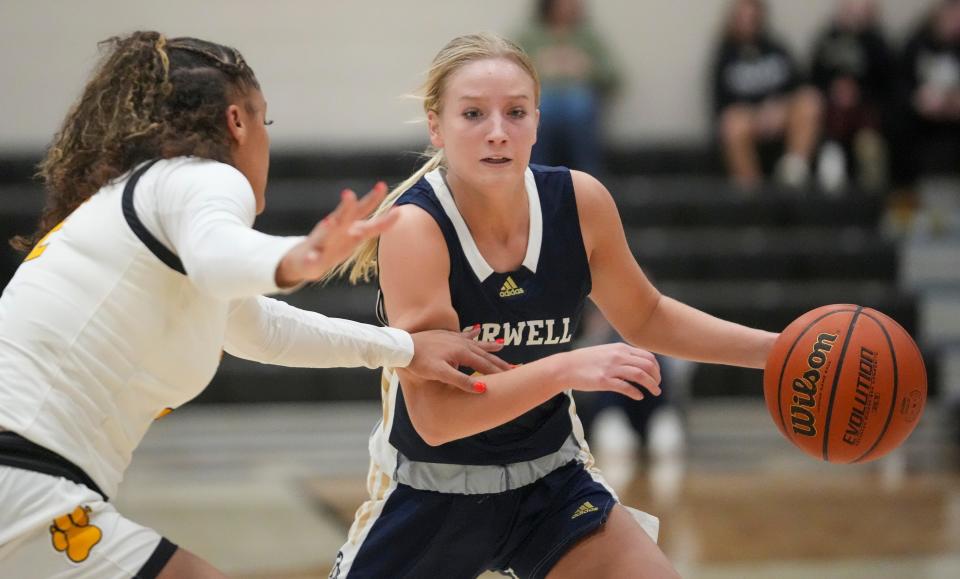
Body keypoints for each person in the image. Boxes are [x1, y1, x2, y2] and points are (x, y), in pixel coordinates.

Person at [0, 31, 519, 579]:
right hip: (25, 476)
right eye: (264, 122)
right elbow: (219, 255)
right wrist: (298, 258)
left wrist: (403, 347)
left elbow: (258, 328)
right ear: (236, 123)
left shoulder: (146, 203)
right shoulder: (203, 178)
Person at [332, 33, 778, 578]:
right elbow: (439, 419)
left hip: (550, 483)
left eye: (516, 112)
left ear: (537, 121)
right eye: (473, 113)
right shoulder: (416, 227)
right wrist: (567, 366)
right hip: (430, 490)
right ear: (436, 126)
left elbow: (647, 316)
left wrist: (779, 353)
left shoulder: (579, 201)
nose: (498, 131)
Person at [711, 0, 823, 191]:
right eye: (742, 17)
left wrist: (778, 109)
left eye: (752, 17)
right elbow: (721, 106)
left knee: (810, 100)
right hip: (748, 120)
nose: (747, 22)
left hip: (781, 115)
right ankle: (751, 192)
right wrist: (756, 114)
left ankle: (793, 173)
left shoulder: (776, 48)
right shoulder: (725, 55)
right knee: (733, 124)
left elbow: (800, 86)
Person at [516, 0, 621, 175]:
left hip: (578, 97)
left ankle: (589, 178)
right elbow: (511, 73)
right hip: (542, 96)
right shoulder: (529, 36)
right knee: (542, 111)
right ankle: (536, 176)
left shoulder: (588, 37)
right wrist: (539, 68)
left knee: (578, 105)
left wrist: (586, 68)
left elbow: (613, 76)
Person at [887, 0, 960, 229]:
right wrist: (918, 100)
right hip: (919, 126)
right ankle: (904, 203)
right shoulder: (916, 44)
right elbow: (898, 87)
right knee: (896, 124)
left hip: (953, 127)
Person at [809, 0, 893, 192]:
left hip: (865, 113)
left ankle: (872, 198)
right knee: (831, 148)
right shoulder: (827, 39)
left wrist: (859, 93)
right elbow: (813, 80)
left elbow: (887, 86)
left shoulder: (877, 43)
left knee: (870, 145)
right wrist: (833, 91)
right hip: (831, 113)